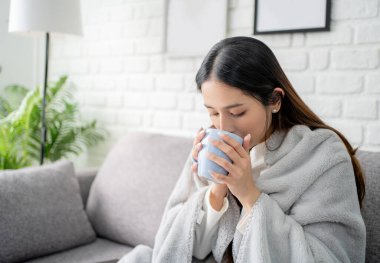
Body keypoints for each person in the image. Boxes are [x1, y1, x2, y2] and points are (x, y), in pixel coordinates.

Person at [119, 36, 366, 263]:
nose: (223, 127)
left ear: (275, 100)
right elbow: (183, 249)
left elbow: (331, 256)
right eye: (213, 112)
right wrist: (217, 189)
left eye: (237, 112)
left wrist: (249, 195)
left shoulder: (321, 155)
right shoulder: (209, 143)